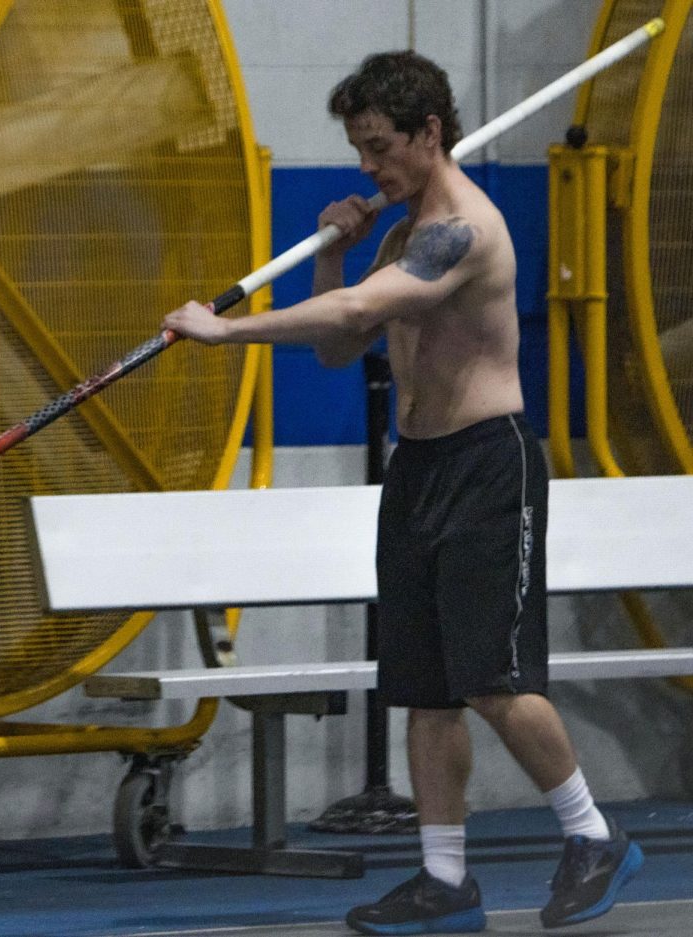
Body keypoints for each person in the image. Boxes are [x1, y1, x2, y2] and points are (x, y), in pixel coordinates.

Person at [162, 51, 643, 935]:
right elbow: (343, 344)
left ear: (429, 133)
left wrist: (223, 334)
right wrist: (334, 257)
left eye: (381, 148)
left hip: (486, 464)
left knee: (494, 678)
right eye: (358, 151)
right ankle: (443, 879)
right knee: (424, 688)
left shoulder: (462, 229)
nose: (368, 168)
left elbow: (347, 325)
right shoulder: (395, 236)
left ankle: (593, 834)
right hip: (416, 468)